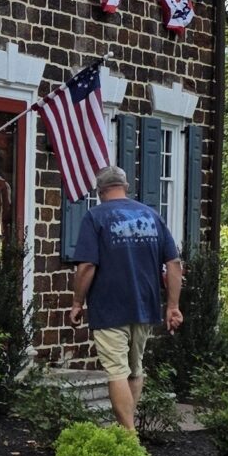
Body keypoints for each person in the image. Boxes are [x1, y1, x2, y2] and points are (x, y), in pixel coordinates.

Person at [69, 162, 182, 433]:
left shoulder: (95, 217)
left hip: (110, 307)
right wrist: (173, 306)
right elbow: (175, 263)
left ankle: (129, 439)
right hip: (146, 304)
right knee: (135, 369)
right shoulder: (152, 216)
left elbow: (86, 267)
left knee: (116, 371)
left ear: (100, 191)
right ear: (125, 187)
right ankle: (128, 433)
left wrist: (76, 302)